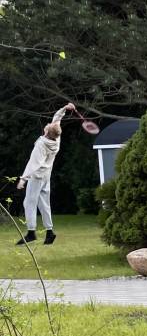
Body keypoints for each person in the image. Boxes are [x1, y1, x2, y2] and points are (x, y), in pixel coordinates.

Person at [16, 103, 74, 246]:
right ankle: (49, 232)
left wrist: (23, 179)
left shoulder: (41, 145)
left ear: (47, 132)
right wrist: (65, 108)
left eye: (48, 126)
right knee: (44, 204)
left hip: (37, 177)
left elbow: (33, 163)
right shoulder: (56, 140)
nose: (48, 125)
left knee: (29, 203)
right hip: (46, 176)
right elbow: (56, 119)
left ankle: (31, 233)